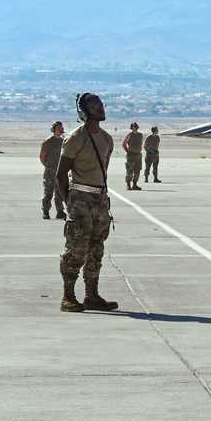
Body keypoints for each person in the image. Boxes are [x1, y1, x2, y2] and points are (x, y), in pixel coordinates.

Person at [58, 92, 119, 313]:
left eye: (101, 104)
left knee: (96, 248)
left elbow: (103, 170)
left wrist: (100, 197)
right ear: (84, 112)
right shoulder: (75, 138)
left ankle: (92, 295)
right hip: (80, 199)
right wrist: (69, 203)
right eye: (94, 105)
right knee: (76, 248)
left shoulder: (106, 139)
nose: (100, 108)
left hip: (100, 200)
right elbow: (60, 174)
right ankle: (68, 296)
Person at [39, 121, 67, 220]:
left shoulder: (64, 141)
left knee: (59, 193)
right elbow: (42, 156)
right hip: (50, 171)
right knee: (48, 192)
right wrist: (48, 166)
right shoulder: (48, 142)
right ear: (54, 129)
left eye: (61, 128)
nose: (61, 130)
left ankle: (60, 211)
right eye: (58, 128)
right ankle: (45, 211)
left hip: (60, 172)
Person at [122, 122, 144, 190]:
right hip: (131, 155)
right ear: (131, 128)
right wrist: (128, 151)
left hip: (138, 155)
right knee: (129, 171)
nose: (134, 128)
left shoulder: (140, 135)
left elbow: (141, 143)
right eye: (133, 127)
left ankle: (135, 184)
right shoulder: (129, 135)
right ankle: (128, 185)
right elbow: (124, 144)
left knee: (137, 170)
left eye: (135, 126)